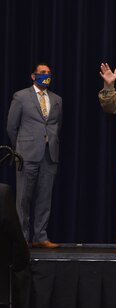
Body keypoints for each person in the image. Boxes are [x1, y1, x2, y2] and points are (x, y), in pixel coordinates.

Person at [6, 63, 62, 249]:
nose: (46, 75)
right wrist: (21, 147)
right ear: (33, 76)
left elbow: (56, 126)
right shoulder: (21, 96)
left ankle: (40, 236)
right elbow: (11, 127)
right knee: (23, 198)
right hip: (26, 154)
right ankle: (22, 238)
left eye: (48, 73)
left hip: (49, 154)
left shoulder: (56, 99)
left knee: (44, 198)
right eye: (42, 73)